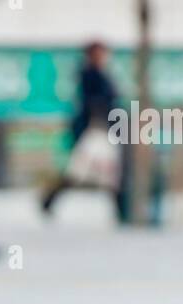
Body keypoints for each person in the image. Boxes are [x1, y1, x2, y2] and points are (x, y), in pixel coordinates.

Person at [41, 40, 129, 223]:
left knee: (107, 175)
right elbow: (95, 103)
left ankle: (121, 212)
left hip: (103, 131)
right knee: (81, 172)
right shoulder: (89, 75)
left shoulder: (101, 74)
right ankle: (48, 201)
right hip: (95, 131)